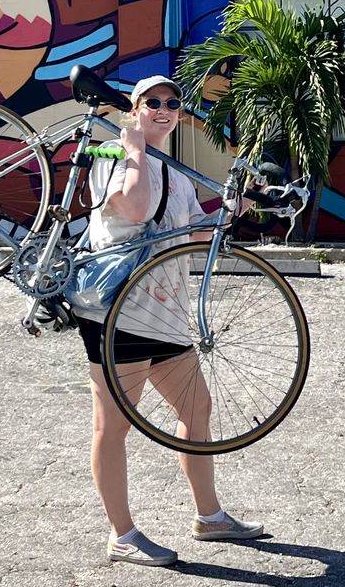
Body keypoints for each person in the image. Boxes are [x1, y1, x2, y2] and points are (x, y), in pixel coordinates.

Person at [79, 75, 265, 565]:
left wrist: (239, 206)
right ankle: (123, 535)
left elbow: (190, 233)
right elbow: (136, 208)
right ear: (134, 109)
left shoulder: (178, 175)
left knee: (196, 411)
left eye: (171, 102)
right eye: (151, 102)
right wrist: (133, 148)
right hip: (119, 317)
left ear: (180, 113)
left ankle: (210, 517)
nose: (163, 108)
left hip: (165, 318)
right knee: (114, 426)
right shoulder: (107, 158)